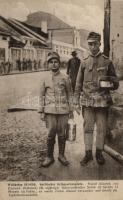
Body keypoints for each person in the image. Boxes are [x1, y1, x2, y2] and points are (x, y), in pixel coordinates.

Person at [74, 32, 119, 166]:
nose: (92, 47)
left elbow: (115, 83)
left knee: (101, 128)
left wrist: (108, 83)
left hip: (102, 102)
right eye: (90, 44)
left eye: (95, 44)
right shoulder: (84, 62)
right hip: (87, 102)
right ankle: (88, 154)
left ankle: (99, 153)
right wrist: (75, 101)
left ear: (100, 44)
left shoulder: (107, 61)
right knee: (87, 128)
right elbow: (78, 83)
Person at [39, 52, 73, 167]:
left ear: (59, 63)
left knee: (62, 134)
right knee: (50, 134)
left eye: (56, 62)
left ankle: (61, 155)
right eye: (51, 62)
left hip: (63, 110)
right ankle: (49, 157)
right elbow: (41, 96)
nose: (53, 64)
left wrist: (71, 110)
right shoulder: (44, 79)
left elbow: (69, 94)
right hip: (50, 111)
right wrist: (41, 111)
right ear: (48, 64)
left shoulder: (65, 78)